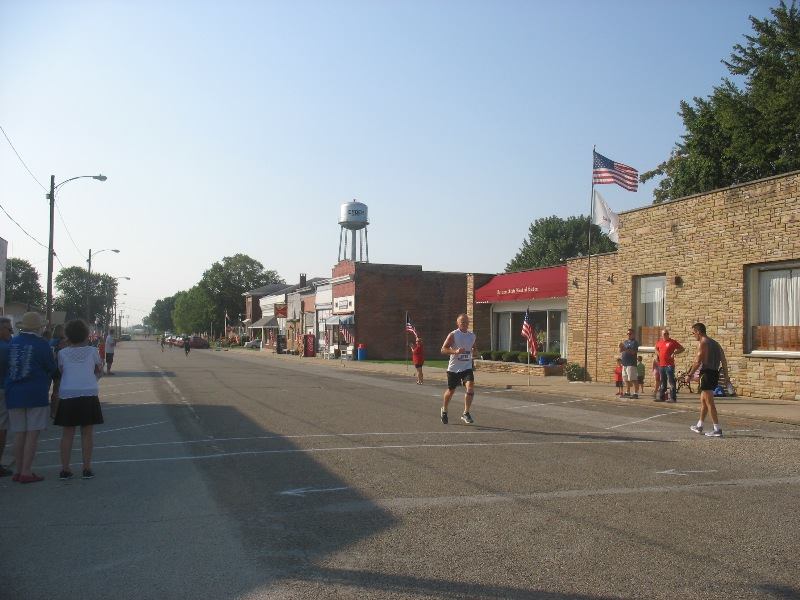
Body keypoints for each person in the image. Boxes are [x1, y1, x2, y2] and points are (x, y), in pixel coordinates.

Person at [6, 312, 57, 483]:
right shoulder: (42, 344)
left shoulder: (13, 342)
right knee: (32, 434)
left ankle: (18, 470)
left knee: (18, 433)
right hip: (36, 392)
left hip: (14, 392)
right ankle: (26, 471)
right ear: (38, 328)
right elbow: (51, 367)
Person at [54, 319, 104, 480]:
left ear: (68, 335)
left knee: (67, 433)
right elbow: (99, 370)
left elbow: (62, 371)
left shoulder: (62, 353)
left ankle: (65, 469)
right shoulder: (93, 351)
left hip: (68, 393)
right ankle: (86, 468)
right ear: (85, 334)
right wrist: (92, 379)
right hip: (88, 392)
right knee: (87, 432)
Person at [686, 322, 729, 438]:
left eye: (693, 333)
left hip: (707, 374)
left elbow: (698, 361)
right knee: (704, 401)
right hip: (714, 373)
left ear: (698, 332)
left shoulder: (703, 342)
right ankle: (699, 425)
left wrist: (689, 375)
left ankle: (717, 429)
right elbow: (724, 361)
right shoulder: (715, 343)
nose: (693, 335)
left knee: (709, 402)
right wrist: (726, 377)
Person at [440, 314, 477, 425]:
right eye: (462, 322)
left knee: (470, 388)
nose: (464, 324)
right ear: (458, 323)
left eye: (466, 322)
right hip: (454, 368)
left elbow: (475, 350)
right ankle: (444, 409)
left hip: (467, 367)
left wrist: (474, 352)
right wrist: (455, 352)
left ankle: (466, 413)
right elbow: (443, 349)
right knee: (451, 391)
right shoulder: (453, 335)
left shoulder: (472, 336)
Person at [654, 328, 685, 403]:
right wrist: (658, 355)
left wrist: (674, 353)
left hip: (669, 365)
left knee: (671, 381)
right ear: (662, 335)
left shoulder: (672, 342)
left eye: (667, 333)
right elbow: (656, 348)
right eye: (664, 334)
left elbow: (682, 349)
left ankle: (673, 398)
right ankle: (662, 397)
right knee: (662, 381)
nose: (666, 335)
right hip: (661, 365)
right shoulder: (660, 342)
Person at [0, 317, 13, 476]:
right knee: (1, 427)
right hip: (2, 389)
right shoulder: (6, 348)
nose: (11, 332)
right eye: (9, 329)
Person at [619, 328, 639, 398]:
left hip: (631, 363)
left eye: (630, 334)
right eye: (627, 334)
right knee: (626, 379)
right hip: (624, 363)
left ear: (633, 334)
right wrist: (620, 347)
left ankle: (636, 393)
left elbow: (633, 352)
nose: (628, 335)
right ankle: (627, 392)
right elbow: (621, 351)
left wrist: (624, 348)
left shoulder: (635, 342)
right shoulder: (625, 342)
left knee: (633, 379)